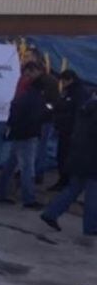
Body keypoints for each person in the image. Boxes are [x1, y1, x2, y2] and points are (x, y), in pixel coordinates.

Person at [41, 90, 97, 235]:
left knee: (74, 189)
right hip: (93, 160)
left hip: (78, 157)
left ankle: (51, 213)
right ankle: (91, 227)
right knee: (93, 194)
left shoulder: (84, 110)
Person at [0, 63, 49, 209]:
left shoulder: (23, 93)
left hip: (18, 133)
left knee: (11, 165)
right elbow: (38, 116)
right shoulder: (36, 98)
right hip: (28, 135)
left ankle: (0, 193)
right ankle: (28, 199)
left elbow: (15, 112)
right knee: (27, 168)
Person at [50, 70, 88, 191]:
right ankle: (64, 180)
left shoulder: (78, 93)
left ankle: (67, 181)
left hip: (72, 131)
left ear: (70, 79)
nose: (63, 83)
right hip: (64, 129)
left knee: (66, 157)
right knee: (62, 156)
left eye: (64, 81)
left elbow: (78, 113)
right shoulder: (68, 92)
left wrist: (76, 131)